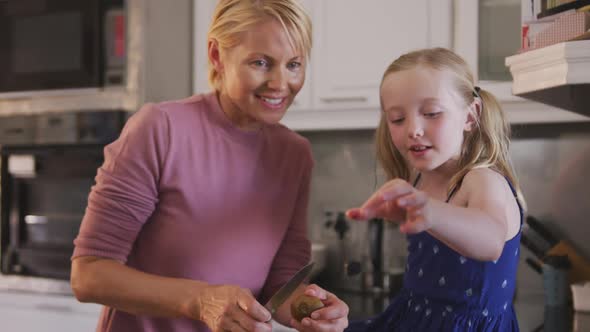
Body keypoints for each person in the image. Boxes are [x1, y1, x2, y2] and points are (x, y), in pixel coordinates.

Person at [70, 1, 349, 331]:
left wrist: (313, 310)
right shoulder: (160, 129)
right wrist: (199, 300)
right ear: (217, 55)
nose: (280, 83)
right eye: (261, 62)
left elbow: (280, 287)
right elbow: (89, 275)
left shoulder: (295, 154)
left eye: (294, 65)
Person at [345, 47, 525, 331]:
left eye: (431, 113)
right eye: (397, 119)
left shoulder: (480, 179)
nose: (413, 129)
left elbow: (491, 241)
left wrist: (429, 211)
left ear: (470, 116)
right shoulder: (419, 179)